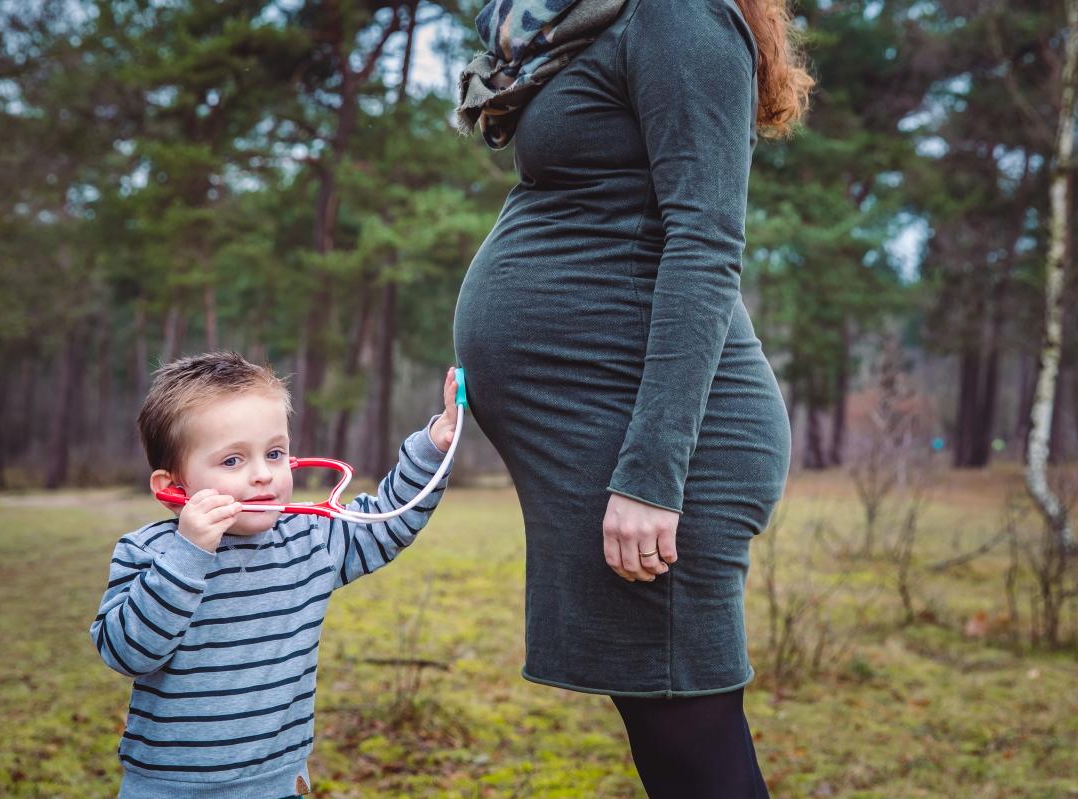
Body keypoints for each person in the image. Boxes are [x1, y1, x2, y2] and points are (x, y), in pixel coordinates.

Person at [453, 0, 813, 796]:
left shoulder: (676, 16)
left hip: (665, 449)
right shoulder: (576, 27)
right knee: (666, 736)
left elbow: (707, 242)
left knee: (693, 743)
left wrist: (652, 475)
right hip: (601, 425)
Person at [89, 351, 460, 798]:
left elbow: (386, 522)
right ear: (174, 488)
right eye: (232, 461)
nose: (264, 474)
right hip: (168, 787)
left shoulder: (308, 541)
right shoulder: (148, 552)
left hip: (277, 785)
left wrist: (433, 446)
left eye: (275, 453)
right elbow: (126, 653)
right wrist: (187, 556)